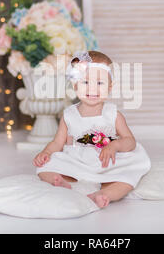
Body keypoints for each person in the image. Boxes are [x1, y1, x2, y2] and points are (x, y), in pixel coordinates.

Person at [33, 50, 151, 208]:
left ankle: (104, 194)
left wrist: (114, 145)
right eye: (86, 82)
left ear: (110, 88)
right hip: (78, 160)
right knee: (44, 169)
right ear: (75, 86)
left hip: (106, 161)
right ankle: (65, 184)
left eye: (100, 83)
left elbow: (130, 142)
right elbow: (57, 143)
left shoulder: (113, 114)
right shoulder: (69, 115)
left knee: (128, 177)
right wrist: (46, 153)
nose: (92, 89)